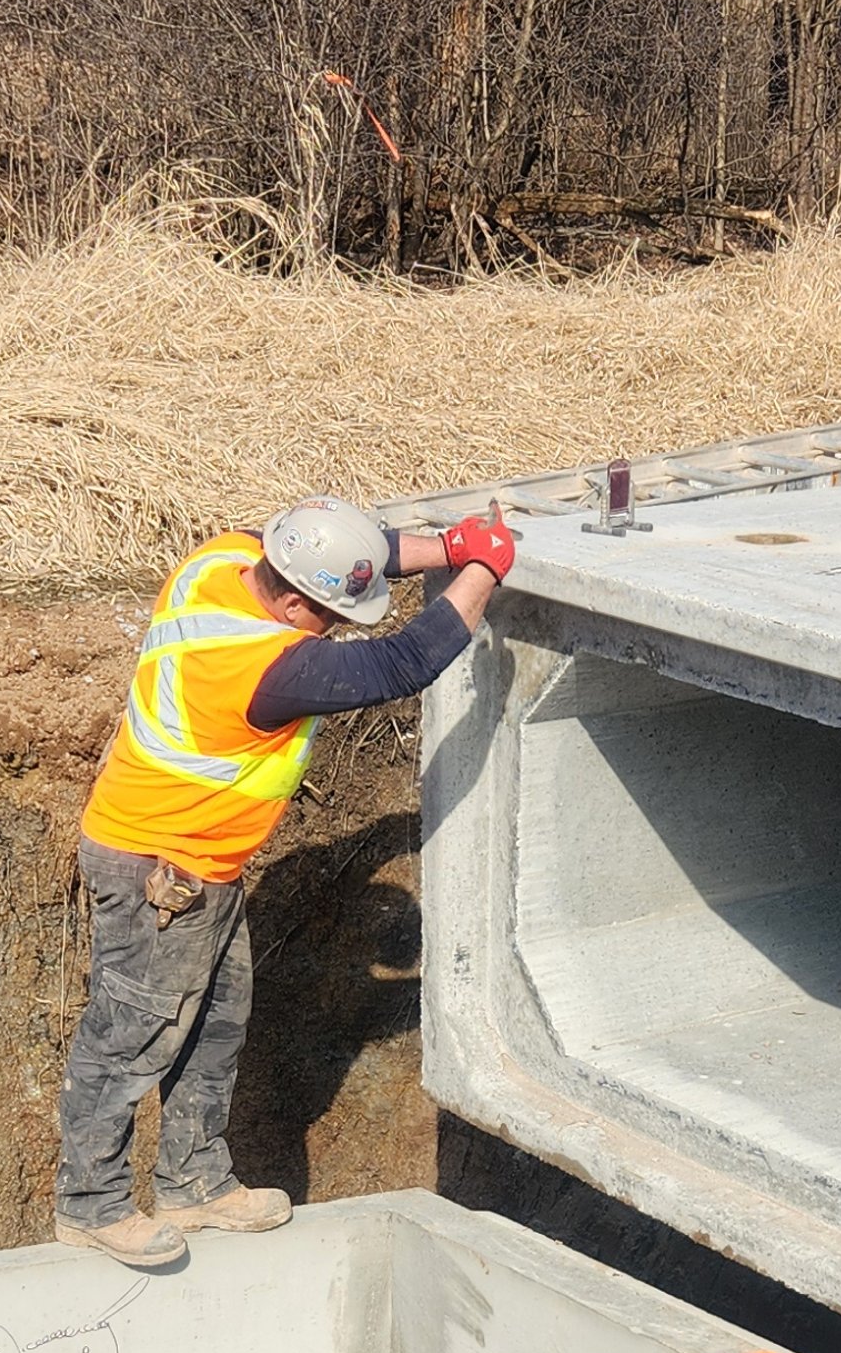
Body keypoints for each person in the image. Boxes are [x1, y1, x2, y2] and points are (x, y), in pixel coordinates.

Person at [54, 496, 516, 1266]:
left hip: (202, 870)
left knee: (214, 1027)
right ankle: (90, 1204)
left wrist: (446, 546)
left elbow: (356, 552)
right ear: (297, 601)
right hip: (156, 870)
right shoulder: (263, 667)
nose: (336, 627)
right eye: (331, 614)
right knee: (131, 1037)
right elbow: (403, 662)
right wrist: (484, 570)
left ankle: (194, 1182)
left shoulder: (218, 564)